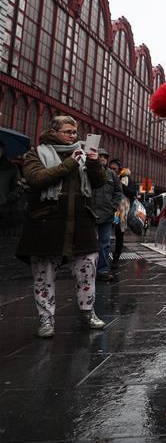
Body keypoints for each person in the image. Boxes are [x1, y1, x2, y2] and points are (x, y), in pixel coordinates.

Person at [16, 115, 107, 337]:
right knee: (44, 273)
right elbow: (37, 178)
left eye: (75, 132)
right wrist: (70, 164)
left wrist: (93, 163)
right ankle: (46, 319)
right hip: (47, 223)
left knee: (87, 268)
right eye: (68, 132)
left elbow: (98, 183)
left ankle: (87, 312)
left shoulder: (82, 153)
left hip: (81, 224)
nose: (73, 136)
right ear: (54, 131)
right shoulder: (36, 153)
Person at [92, 149, 123, 283]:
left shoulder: (111, 174)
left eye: (105, 157)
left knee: (105, 243)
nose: (103, 158)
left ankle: (103, 270)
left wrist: (113, 206)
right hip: (91, 213)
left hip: (106, 213)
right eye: (101, 156)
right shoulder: (89, 171)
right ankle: (89, 270)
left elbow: (118, 192)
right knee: (89, 244)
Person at [109, 157, 137, 268]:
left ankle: (116, 256)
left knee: (118, 232)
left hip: (120, 212)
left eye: (114, 169)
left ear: (119, 169)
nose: (112, 170)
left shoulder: (126, 178)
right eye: (111, 168)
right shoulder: (109, 177)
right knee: (109, 231)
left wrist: (121, 185)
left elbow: (132, 193)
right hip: (111, 209)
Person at [0, 141, 24, 233]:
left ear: (2, 151)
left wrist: (8, 200)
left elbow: (18, 187)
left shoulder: (11, 168)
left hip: (2, 212)